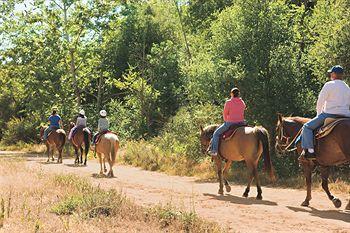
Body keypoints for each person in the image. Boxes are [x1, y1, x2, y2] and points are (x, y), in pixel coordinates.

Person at [301, 65, 350, 159]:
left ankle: (310, 151)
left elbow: (320, 101)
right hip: (346, 116)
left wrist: (318, 114)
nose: (330, 75)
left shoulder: (329, 85)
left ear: (334, 74)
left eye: (331, 73)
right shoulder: (347, 87)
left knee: (307, 126)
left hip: (330, 114)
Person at [209, 88, 246, 156]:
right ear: (238, 94)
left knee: (216, 134)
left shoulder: (228, 102)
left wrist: (226, 121)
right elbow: (243, 110)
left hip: (230, 123)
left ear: (232, 94)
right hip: (241, 123)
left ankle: (214, 151)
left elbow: (225, 114)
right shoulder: (242, 102)